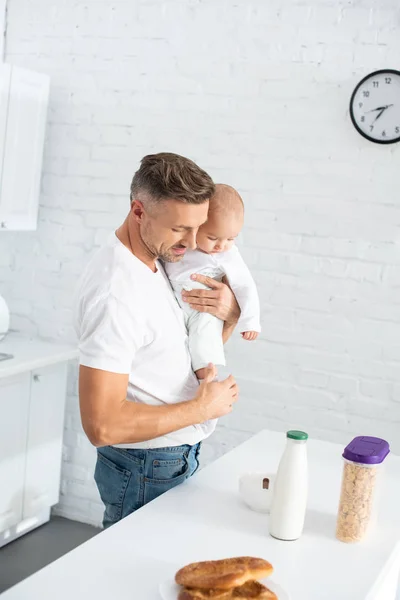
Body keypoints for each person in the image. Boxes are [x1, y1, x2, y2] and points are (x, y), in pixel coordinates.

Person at [74, 153, 240, 528]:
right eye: (180, 228)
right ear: (138, 211)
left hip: (171, 456)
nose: (194, 241)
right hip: (144, 467)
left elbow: (182, 351)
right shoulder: (116, 292)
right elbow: (101, 424)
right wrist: (202, 409)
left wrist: (227, 316)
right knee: (134, 582)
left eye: (198, 227)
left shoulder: (161, 260)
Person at [165, 184, 261, 381]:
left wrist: (250, 321)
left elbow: (245, 285)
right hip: (175, 299)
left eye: (231, 239)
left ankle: (206, 374)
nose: (221, 245)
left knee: (204, 332)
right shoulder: (182, 243)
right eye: (212, 237)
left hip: (203, 304)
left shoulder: (227, 255)